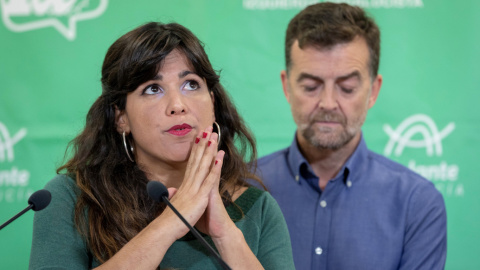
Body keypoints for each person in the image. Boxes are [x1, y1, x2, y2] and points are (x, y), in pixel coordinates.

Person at [29, 22, 295, 270]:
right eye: (153, 89)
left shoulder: (257, 208)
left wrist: (225, 234)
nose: (178, 105)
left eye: (191, 84)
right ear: (121, 118)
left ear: (212, 104)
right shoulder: (72, 199)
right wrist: (172, 222)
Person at [256, 3, 447, 270]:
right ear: (287, 86)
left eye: (347, 88)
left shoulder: (417, 204)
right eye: (311, 86)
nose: (328, 103)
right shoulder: (243, 187)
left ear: (373, 90)